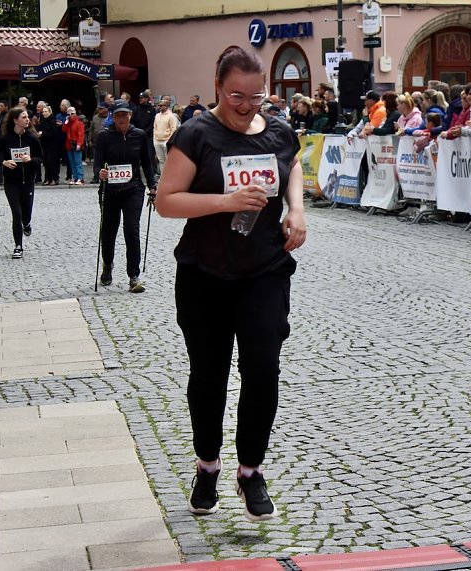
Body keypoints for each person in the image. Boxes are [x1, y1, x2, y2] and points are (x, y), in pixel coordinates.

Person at [154, 46, 306, 522]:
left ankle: (250, 471)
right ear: (218, 87)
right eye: (236, 95)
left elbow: (292, 165)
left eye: (255, 96)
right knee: (209, 375)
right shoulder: (196, 135)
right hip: (205, 273)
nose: (246, 105)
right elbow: (166, 201)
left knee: (262, 369)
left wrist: (296, 209)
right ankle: (207, 465)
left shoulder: (278, 130)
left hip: (264, 270)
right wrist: (226, 201)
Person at [94, 100, 157, 293]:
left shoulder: (139, 135)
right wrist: (100, 173)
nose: (122, 119)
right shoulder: (104, 136)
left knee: (131, 229)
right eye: (118, 115)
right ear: (113, 117)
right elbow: (97, 164)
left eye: (125, 115)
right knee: (108, 231)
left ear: (130, 115)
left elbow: (147, 163)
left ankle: (133, 275)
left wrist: (153, 186)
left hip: (133, 189)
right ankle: (107, 264)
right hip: (110, 191)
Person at [0, 107, 43, 259]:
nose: (27, 120)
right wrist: (4, 162)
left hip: (28, 182)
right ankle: (18, 246)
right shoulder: (5, 139)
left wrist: (31, 160)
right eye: (24, 117)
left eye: (27, 117)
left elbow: (40, 158)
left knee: (26, 214)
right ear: (15, 120)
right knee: (16, 213)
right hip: (11, 182)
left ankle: (27, 224)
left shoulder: (32, 138)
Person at [153, 98, 179, 173]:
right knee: (161, 160)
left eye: (161, 105)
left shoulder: (171, 116)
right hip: (157, 140)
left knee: (168, 160)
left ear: (166, 106)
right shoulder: (157, 115)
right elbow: (155, 128)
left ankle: (170, 175)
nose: (159, 107)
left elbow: (173, 129)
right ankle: (162, 176)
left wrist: (169, 141)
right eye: (159, 105)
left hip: (166, 140)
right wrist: (154, 139)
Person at [62, 106, 85, 185]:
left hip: (76, 144)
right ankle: (75, 177)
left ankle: (80, 178)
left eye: (72, 113)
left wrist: (79, 144)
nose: (70, 115)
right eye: (69, 114)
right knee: (72, 162)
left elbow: (81, 135)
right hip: (69, 144)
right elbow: (64, 130)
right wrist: (66, 122)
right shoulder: (68, 123)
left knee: (78, 162)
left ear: (75, 113)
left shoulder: (79, 123)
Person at [37, 105, 60, 185]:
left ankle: (54, 178)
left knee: (52, 162)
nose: (44, 113)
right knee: (46, 162)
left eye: (46, 111)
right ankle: (47, 178)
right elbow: (39, 129)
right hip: (44, 144)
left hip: (52, 145)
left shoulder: (53, 121)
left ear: (50, 112)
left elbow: (53, 134)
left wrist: (43, 133)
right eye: (43, 112)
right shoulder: (42, 121)